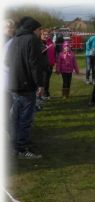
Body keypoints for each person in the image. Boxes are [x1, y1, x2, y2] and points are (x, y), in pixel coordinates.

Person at [6, 16, 44, 159]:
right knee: (25, 119)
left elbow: (6, 61)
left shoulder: (14, 39)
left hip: (13, 84)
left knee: (14, 118)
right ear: (33, 29)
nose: (40, 32)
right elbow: (35, 64)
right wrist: (40, 84)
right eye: (39, 29)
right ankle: (21, 149)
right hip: (26, 85)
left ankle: (15, 147)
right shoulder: (32, 39)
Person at [40, 28, 55, 100]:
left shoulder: (51, 42)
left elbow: (53, 53)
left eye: (47, 34)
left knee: (47, 79)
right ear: (41, 35)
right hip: (43, 65)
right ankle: (43, 94)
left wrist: (54, 62)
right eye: (44, 34)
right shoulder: (39, 43)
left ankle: (46, 93)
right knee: (44, 80)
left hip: (50, 64)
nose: (46, 36)